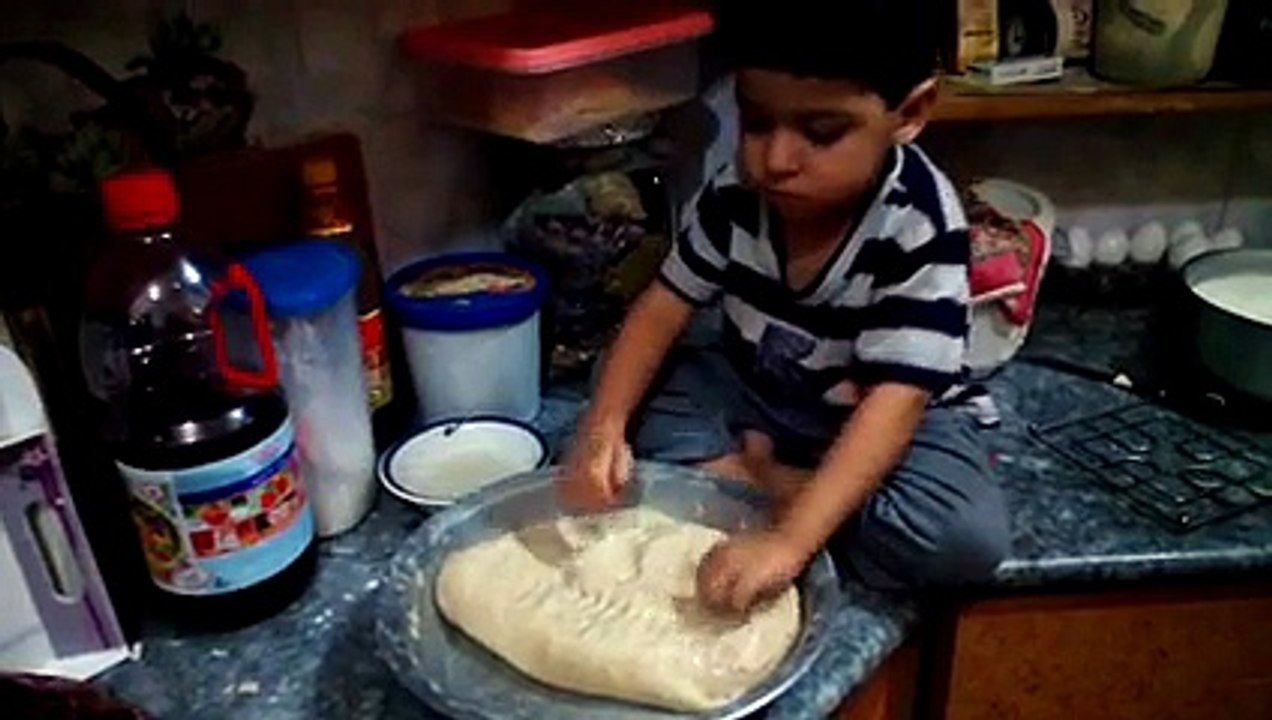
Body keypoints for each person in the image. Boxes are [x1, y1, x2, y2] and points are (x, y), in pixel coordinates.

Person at [557, 0, 1010, 614]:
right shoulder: (736, 194)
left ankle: (766, 484)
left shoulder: (920, 224)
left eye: (822, 133)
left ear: (910, 113)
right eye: (756, 121)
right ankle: (770, 482)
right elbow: (663, 307)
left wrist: (787, 543)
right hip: (758, 389)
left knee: (963, 540)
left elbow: (896, 401)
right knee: (628, 387)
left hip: (884, 418)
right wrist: (602, 429)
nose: (775, 160)